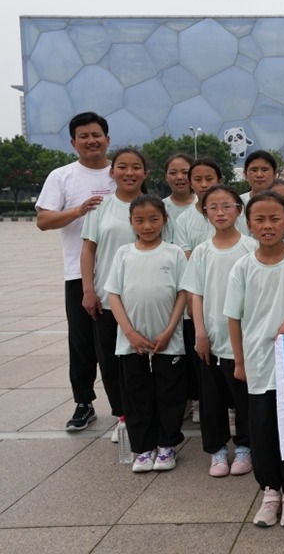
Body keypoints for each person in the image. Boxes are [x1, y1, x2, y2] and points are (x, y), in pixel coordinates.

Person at [224, 191, 284, 528]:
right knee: (262, 428)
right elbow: (233, 317)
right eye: (259, 219)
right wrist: (239, 361)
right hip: (259, 363)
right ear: (248, 225)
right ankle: (270, 492)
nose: (267, 225)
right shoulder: (243, 266)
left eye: (275, 218)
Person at [35, 112, 115, 432]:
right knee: (82, 343)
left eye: (97, 134)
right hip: (78, 275)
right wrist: (77, 211)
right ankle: (84, 402)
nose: (91, 140)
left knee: (119, 344)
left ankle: (127, 403)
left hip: (124, 274)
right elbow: (43, 221)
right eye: (84, 136)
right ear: (73, 142)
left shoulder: (122, 171)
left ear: (108, 139)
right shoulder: (62, 176)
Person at [105, 194, 187, 472]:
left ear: (164, 220)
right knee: (136, 394)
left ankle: (167, 445)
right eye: (140, 220)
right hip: (131, 342)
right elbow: (114, 295)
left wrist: (169, 331)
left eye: (154, 219)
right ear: (131, 223)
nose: (148, 226)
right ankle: (143, 448)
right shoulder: (123, 254)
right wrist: (129, 332)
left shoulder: (174, 253)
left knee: (169, 393)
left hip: (169, 340)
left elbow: (182, 294)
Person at [180, 186, 257, 478]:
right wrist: (200, 332)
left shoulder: (250, 247)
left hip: (243, 340)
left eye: (227, 206)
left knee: (244, 397)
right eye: (213, 207)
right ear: (204, 212)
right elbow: (195, 293)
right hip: (210, 337)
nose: (220, 212)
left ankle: (245, 446)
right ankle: (216, 450)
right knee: (211, 398)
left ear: (239, 209)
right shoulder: (201, 251)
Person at [80, 148, 149, 435]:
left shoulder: (154, 206)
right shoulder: (99, 207)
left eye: (136, 167)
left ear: (145, 173)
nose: (129, 172)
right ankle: (122, 417)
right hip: (107, 301)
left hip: (144, 300)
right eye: (122, 166)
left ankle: (145, 414)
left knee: (142, 363)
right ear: (112, 172)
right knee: (110, 361)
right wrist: (88, 290)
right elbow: (88, 249)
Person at [162, 153, 195, 245]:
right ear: (166, 177)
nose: (179, 177)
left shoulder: (203, 206)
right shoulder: (160, 208)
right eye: (173, 173)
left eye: (185, 172)